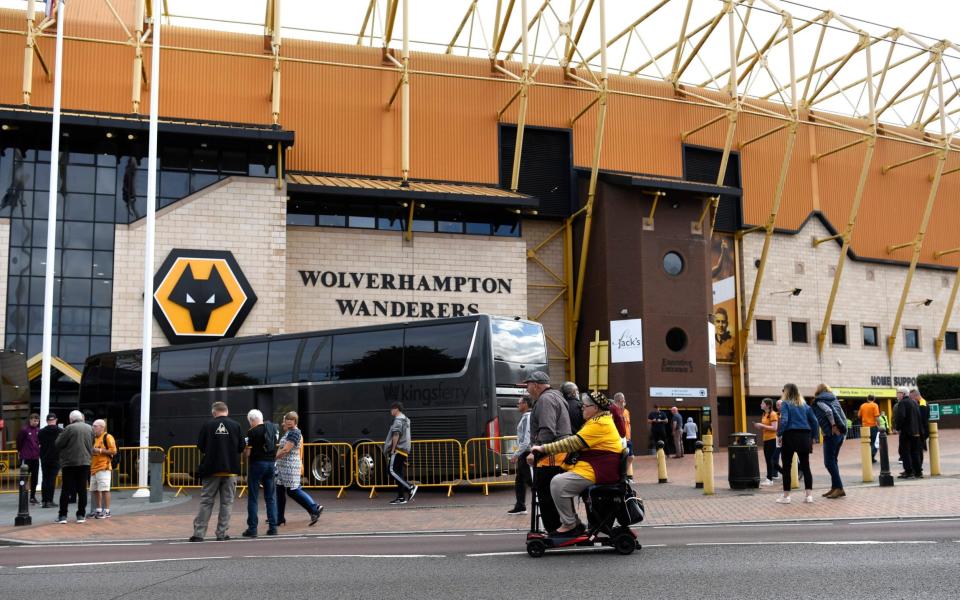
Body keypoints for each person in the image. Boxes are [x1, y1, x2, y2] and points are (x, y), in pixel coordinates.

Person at [529, 392, 623, 538]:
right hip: (595, 467)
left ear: (596, 408)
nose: (582, 409)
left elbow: (572, 443)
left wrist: (543, 448)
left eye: (585, 406)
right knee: (561, 480)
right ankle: (573, 522)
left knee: (558, 483)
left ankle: (570, 524)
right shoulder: (598, 420)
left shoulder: (600, 424)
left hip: (598, 470)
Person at [524, 370, 571, 534]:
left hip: (551, 456)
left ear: (536, 385)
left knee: (546, 494)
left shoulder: (545, 399)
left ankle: (554, 530)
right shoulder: (556, 396)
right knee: (555, 493)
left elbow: (548, 430)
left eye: (528, 385)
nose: (527, 389)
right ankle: (562, 527)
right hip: (560, 453)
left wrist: (535, 451)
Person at [190, 401, 246, 542]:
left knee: (206, 501)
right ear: (227, 411)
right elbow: (241, 447)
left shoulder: (207, 425)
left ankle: (199, 534)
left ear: (214, 413)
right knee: (227, 503)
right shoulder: (236, 425)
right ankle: (222, 533)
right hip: (230, 471)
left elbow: (201, 446)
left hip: (211, 470)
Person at [274, 411, 323, 526]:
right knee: (279, 491)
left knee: (293, 491)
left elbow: (286, 449)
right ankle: (279, 517)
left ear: (295, 422)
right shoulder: (289, 432)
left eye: (290, 421)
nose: (287, 422)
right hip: (283, 468)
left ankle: (314, 509)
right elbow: (282, 447)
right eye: (287, 420)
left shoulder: (295, 433)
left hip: (290, 467)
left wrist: (272, 458)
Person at [775, 383, 819, 504]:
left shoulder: (785, 404)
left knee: (787, 467)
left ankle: (786, 496)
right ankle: (809, 496)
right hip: (805, 436)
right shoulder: (805, 406)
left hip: (790, 436)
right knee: (806, 466)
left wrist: (779, 434)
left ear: (786, 392)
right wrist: (815, 436)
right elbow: (814, 421)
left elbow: (784, 420)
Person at [242, 409, 279, 537]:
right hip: (271, 464)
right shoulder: (274, 429)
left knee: (253, 498)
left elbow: (248, 453)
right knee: (270, 498)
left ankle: (252, 529)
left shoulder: (252, 432)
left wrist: (245, 449)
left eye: (250, 422)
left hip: (257, 464)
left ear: (252, 420)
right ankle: (273, 527)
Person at [54, 410, 94, 524]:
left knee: (66, 489)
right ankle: (81, 515)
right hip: (85, 462)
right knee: (82, 489)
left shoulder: (69, 428)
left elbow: (58, 443)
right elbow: (92, 442)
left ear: (71, 419)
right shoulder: (89, 428)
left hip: (69, 462)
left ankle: (63, 515)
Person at [811, 384, 847, 499]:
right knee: (833, 461)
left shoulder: (819, 400)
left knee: (828, 462)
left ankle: (840, 488)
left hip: (832, 434)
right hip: (840, 433)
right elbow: (843, 415)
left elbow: (828, 411)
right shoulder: (834, 399)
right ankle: (835, 487)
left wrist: (833, 425)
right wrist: (843, 432)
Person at [385, 401, 417, 505]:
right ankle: (401, 497)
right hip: (404, 450)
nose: (391, 411)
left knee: (391, 471)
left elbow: (396, 435)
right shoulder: (405, 420)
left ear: (396, 409)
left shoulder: (398, 420)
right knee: (398, 473)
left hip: (398, 449)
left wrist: (393, 449)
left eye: (392, 409)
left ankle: (410, 487)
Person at [508, 395, 532, 515]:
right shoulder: (525, 417)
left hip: (526, 452)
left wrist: (516, 454)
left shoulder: (528, 417)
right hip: (524, 452)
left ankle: (541, 502)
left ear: (526, 404)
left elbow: (526, 440)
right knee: (520, 480)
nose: (518, 405)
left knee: (529, 481)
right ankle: (520, 505)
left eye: (519, 403)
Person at [89, 419, 117, 519]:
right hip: (94, 468)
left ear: (101, 427)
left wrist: (100, 450)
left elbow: (114, 451)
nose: (93, 428)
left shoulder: (108, 437)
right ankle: (99, 509)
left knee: (105, 489)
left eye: (95, 426)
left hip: (104, 467)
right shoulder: (94, 438)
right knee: (95, 490)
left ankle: (107, 511)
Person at [893, 390, 923, 479]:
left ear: (902, 394)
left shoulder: (903, 403)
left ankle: (909, 472)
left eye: (898, 393)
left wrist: (897, 428)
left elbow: (901, 416)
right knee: (915, 452)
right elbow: (918, 416)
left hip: (906, 432)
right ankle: (918, 472)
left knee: (905, 452)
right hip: (916, 432)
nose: (897, 395)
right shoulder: (914, 402)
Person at [753, 398, 780, 485]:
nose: (761, 404)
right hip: (766, 439)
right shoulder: (764, 414)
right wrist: (758, 426)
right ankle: (781, 474)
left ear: (768, 405)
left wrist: (762, 425)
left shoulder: (773, 414)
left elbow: (774, 428)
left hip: (772, 439)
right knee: (769, 459)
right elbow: (765, 427)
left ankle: (769, 479)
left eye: (762, 403)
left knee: (770, 459)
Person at [16, 413, 40, 505]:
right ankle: (23, 496)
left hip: (35, 458)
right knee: (24, 477)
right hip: (26, 457)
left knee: (34, 478)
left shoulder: (38, 430)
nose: (36, 422)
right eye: (34, 420)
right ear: (30, 420)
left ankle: (32, 497)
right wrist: (20, 451)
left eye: (37, 421)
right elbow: (19, 442)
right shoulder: (24, 430)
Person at [38, 413, 62, 508]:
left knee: (45, 479)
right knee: (52, 480)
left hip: (44, 458)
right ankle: (49, 500)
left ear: (47, 421)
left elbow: (39, 442)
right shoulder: (60, 431)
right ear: (56, 420)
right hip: (56, 458)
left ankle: (44, 500)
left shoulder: (41, 432)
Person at [613, 393, 634, 481]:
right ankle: (622, 477)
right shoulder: (614, 411)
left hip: (627, 438)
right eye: (623, 400)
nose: (624, 402)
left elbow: (629, 425)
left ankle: (624, 475)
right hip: (619, 438)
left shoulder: (626, 412)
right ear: (621, 401)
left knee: (630, 457)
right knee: (621, 458)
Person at [911, 389, 930, 475]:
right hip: (922, 430)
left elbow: (922, 420)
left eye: (912, 397)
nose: (912, 399)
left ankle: (918, 468)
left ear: (916, 396)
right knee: (918, 450)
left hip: (921, 431)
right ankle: (918, 467)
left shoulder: (922, 404)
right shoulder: (921, 403)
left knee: (918, 450)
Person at [859, 395, 881, 463]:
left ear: (867, 399)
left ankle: (867, 457)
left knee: (866, 443)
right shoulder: (874, 405)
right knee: (874, 442)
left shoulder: (862, 406)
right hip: (873, 426)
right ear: (873, 399)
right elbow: (876, 416)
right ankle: (871, 456)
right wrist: (879, 425)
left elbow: (859, 415)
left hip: (864, 427)